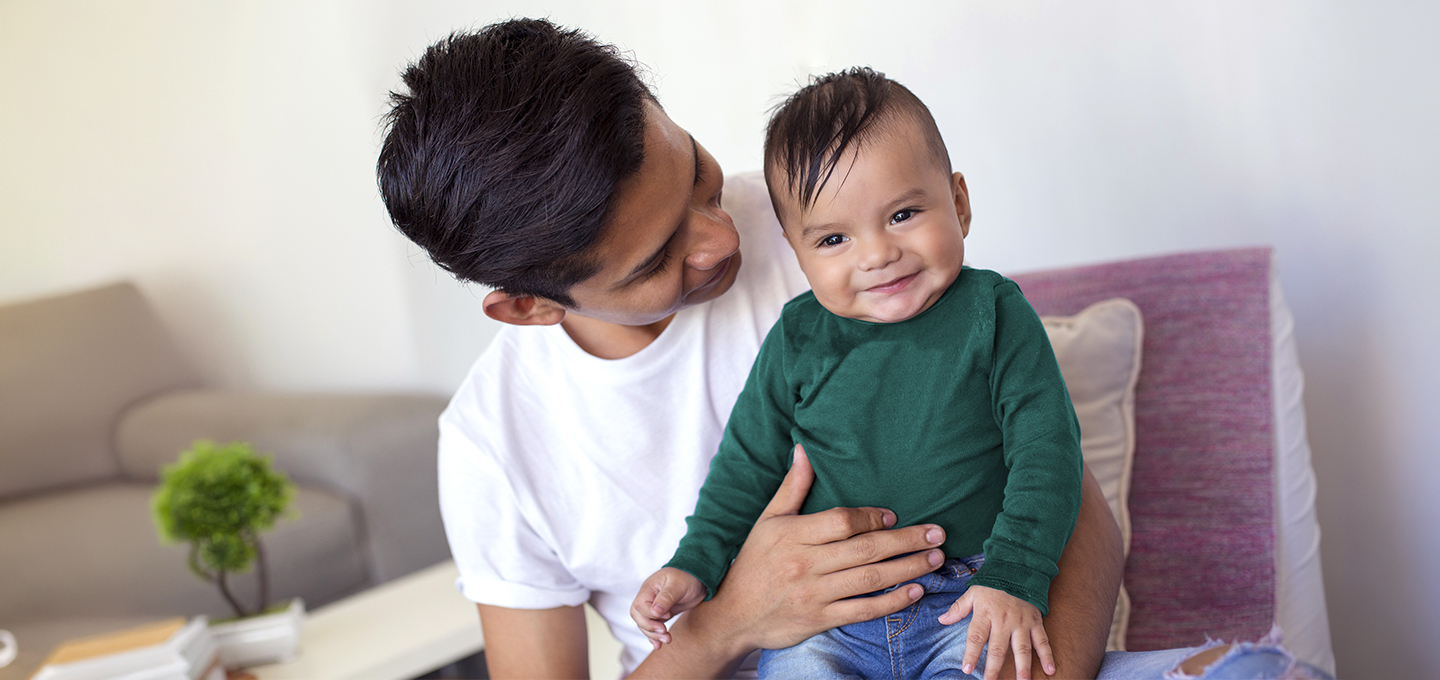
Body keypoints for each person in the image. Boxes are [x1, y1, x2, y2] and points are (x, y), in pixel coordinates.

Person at [376, 17, 1333, 680]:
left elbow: (1064, 493)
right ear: (530, 308)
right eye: (659, 258)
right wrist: (729, 623)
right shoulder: (494, 446)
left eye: (700, 177)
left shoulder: (832, 222)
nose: (720, 240)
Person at [631, 67, 1081, 680]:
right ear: (797, 251)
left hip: (971, 594)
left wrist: (1014, 578)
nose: (875, 255)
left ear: (959, 203)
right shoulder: (797, 337)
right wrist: (695, 564)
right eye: (835, 238)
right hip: (826, 618)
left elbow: (1047, 451)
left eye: (902, 215)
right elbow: (746, 467)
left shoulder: (993, 312)